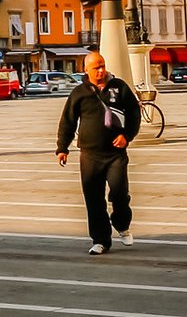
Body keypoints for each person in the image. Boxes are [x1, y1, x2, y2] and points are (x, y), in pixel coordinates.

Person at [56, 51, 142, 256]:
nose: (101, 70)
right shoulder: (79, 92)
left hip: (115, 154)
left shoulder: (119, 87)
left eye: (103, 65)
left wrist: (127, 136)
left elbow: (134, 113)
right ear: (86, 70)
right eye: (96, 67)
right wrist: (62, 148)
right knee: (94, 199)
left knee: (119, 193)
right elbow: (67, 121)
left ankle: (121, 225)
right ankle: (100, 240)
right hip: (90, 154)